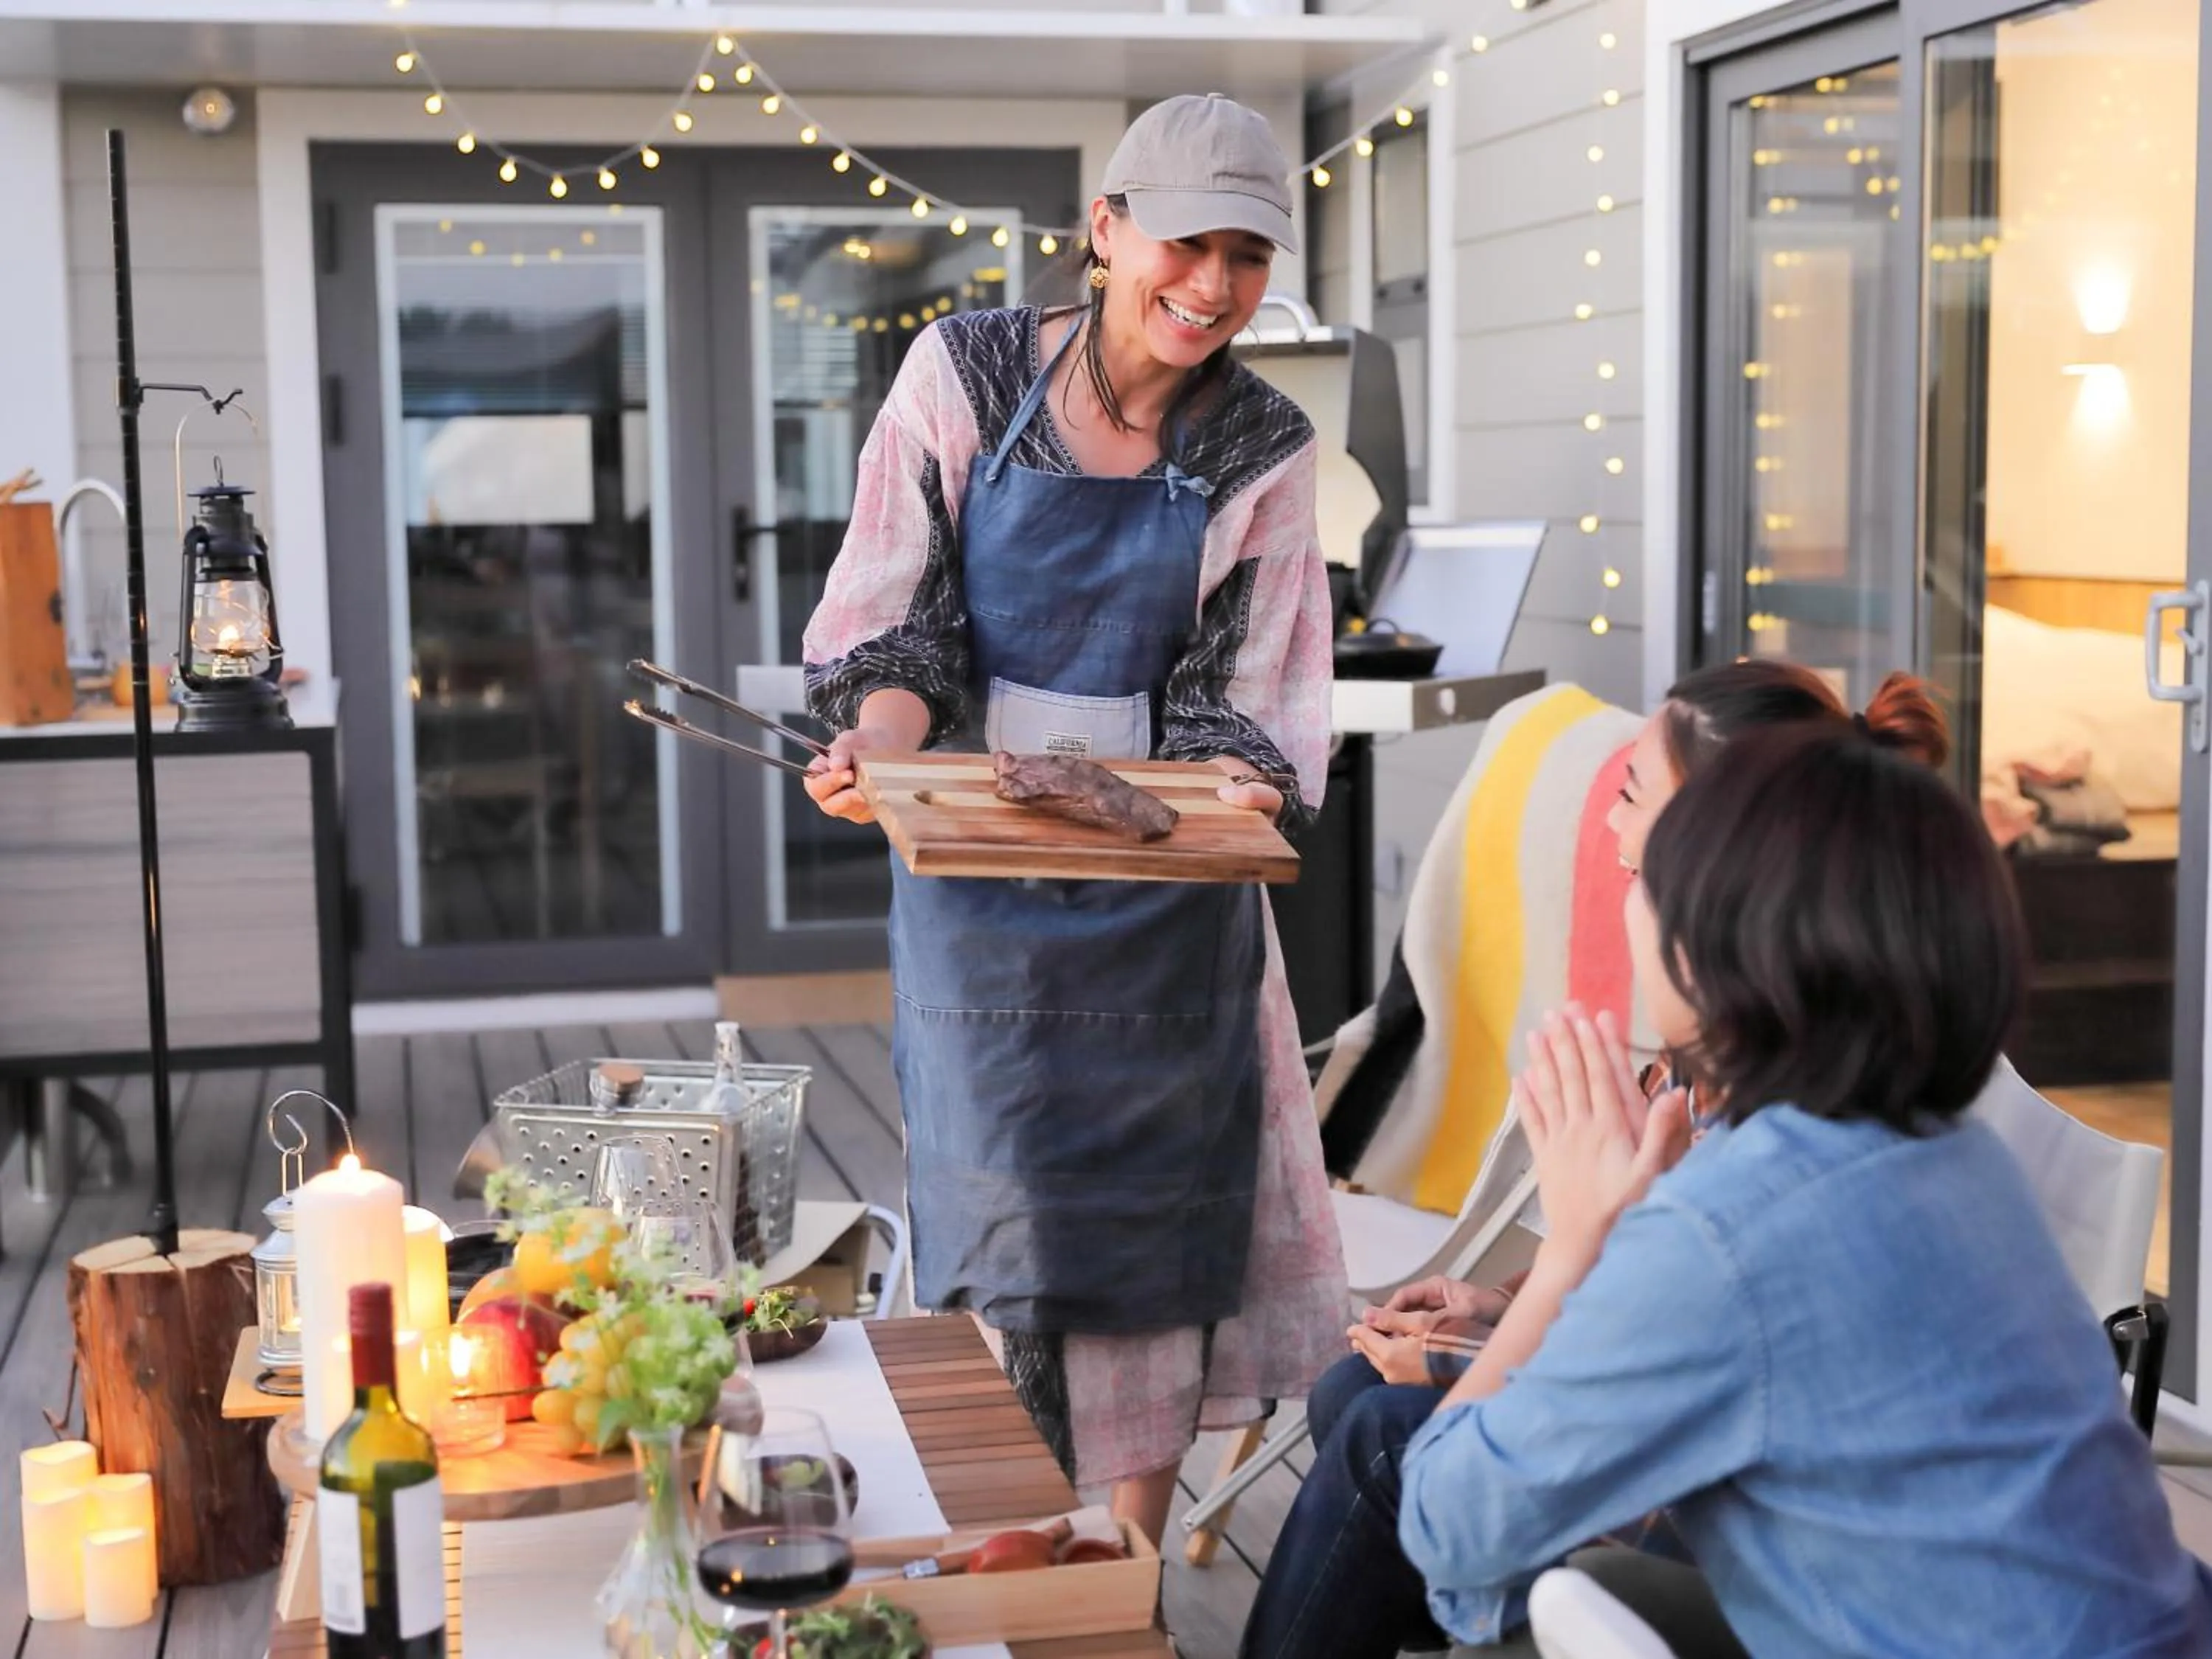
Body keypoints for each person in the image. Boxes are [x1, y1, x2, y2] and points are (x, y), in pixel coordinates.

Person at [799, 94, 1346, 1544]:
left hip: (1173, 902)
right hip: (981, 882)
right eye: (1183, 242)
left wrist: (1239, 785)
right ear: (1104, 231)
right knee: (1002, 1222)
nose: (1212, 286)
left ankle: (1127, 1572)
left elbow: (1246, 699)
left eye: (1247, 253)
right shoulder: (965, 375)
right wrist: (876, 744)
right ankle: (1007, 1549)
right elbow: (905, 632)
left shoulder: (1265, 446)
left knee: (1161, 1232)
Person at [1416, 726, 2211, 1655]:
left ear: (1722, 941)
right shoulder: (1958, 1156)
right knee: (1603, 1581)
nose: (1630, 900)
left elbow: (1450, 1526)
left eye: (1651, 881)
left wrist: (1580, 1245)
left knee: (1526, 1613)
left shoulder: (1728, 1228)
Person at [1241, 662, 1949, 1659]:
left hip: (1764, 1543)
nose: (1611, 843)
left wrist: (1476, 1344)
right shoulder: (1763, 1049)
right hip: (1741, 1469)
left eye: (1628, 796)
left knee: (1387, 1436)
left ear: (1711, 848)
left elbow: (1653, 1361)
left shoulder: (1780, 1122)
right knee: (1355, 1400)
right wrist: (1497, 1304)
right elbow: (1650, 1301)